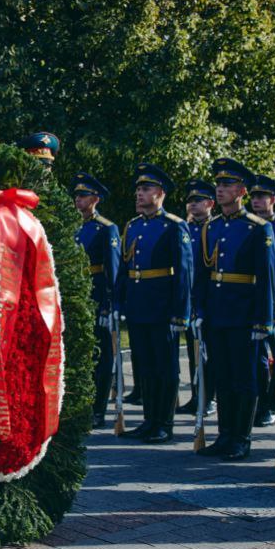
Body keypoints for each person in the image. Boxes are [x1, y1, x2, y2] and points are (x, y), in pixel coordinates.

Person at [192, 160, 275, 461]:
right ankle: (225, 434)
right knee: (222, 375)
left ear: (242, 191)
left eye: (228, 185)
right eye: (219, 184)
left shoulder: (258, 228)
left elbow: (266, 278)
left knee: (244, 377)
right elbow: (203, 273)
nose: (221, 189)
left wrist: (263, 320)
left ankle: (241, 437)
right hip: (217, 313)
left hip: (244, 314)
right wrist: (199, 310)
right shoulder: (211, 227)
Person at [114, 164, 193, 443]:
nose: (139, 194)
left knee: (165, 366)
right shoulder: (133, 226)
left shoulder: (173, 226)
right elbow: (124, 269)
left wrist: (180, 312)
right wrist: (119, 303)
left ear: (160, 193)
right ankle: (149, 420)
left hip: (162, 307)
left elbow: (184, 273)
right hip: (138, 305)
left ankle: (163, 423)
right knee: (144, 365)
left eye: (146, 189)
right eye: (138, 189)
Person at [71, 172, 120, 428]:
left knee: (100, 357)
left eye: (83, 195)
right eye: (77, 195)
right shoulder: (73, 226)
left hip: (97, 298)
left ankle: (98, 409)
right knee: (80, 355)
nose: (78, 199)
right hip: (77, 298)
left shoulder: (106, 228)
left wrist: (109, 305)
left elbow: (112, 270)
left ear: (95, 199)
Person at [249, 174, 275, 428]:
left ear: (272, 199)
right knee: (257, 358)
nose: (256, 201)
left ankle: (274, 403)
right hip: (254, 302)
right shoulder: (249, 227)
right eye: (253, 196)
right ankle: (260, 401)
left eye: (261, 196)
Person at [180, 179, 218, 418]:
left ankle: (209, 396)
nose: (192, 205)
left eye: (198, 200)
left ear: (210, 203)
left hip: (209, 299)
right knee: (194, 350)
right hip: (189, 298)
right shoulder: (185, 228)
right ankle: (197, 395)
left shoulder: (214, 228)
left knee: (208, 352)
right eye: (190, 201)